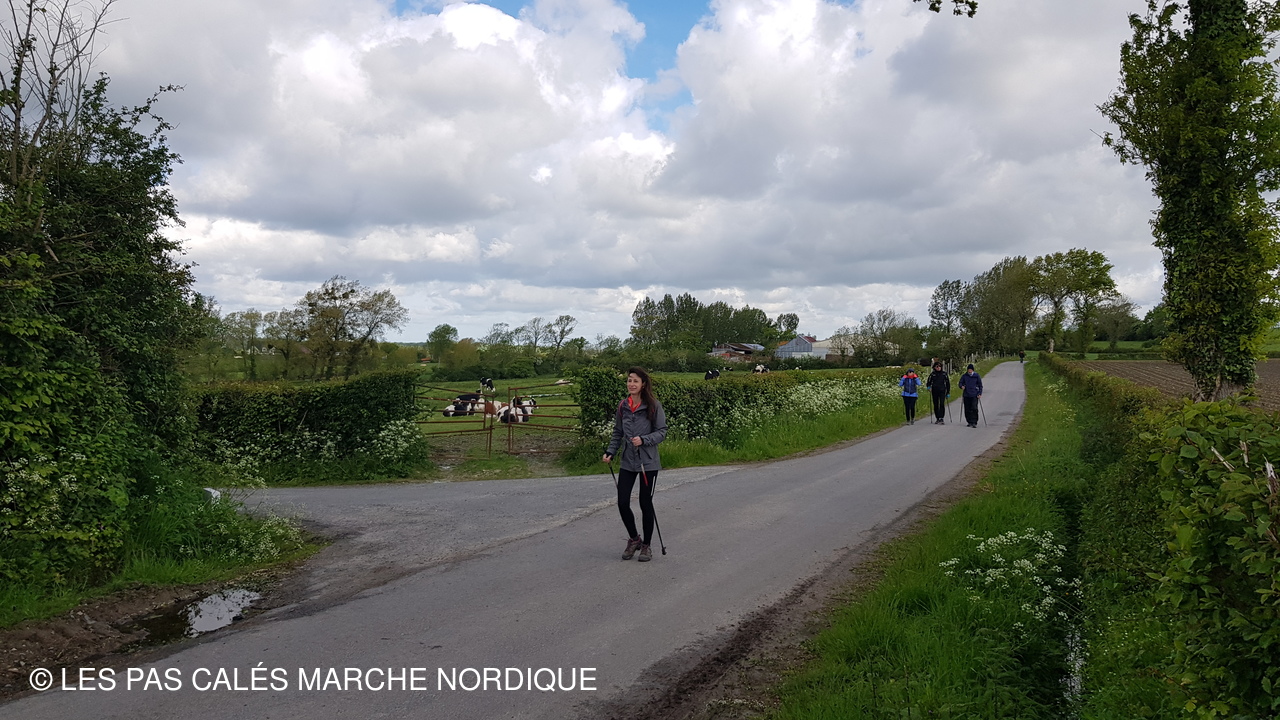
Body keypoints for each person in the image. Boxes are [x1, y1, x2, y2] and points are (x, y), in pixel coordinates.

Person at [602, 367, 667, 562]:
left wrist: (644, 440)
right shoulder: (623, 406)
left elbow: (662, 431)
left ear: (643, 384)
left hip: (648, 462)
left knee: (645, 503)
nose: (631, 384)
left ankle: (646, 545)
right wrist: (610, 451)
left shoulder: (653, 406)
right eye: (629, 380)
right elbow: (618, 432)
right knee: (622, 502)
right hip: (628, 461)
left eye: (635, 381)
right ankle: (634, 539)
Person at [959, 363, 983, 428]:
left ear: (973, 370)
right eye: (968, 369)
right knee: (967, 409)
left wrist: (979, 393)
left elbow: (980, 386)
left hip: (974, 395)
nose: (969, 371)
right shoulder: (964, 376)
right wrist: (961, 386)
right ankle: (969, 421)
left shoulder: (976, 376)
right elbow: (960, 383)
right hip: (966, 395)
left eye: (970, 369)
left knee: (974, 408)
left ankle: (974, 422)